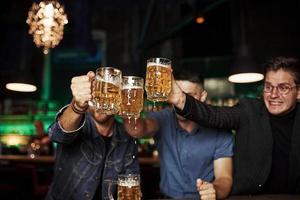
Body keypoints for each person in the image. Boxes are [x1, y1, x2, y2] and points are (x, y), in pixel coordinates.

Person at [169, 57, 300, 195]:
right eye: (268, 87)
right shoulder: (249, 110)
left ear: (298, 92)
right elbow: (214, 116)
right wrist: (180, 100)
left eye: (283, 88)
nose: (273, 94)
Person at [124, 69, 234, 199]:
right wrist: (128, 109)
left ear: (203, 96)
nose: (179, 102)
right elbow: (137, 130)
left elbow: (224, 178)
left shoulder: (219, 127)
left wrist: (214, 191)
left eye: (188, 96)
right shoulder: (162, 118)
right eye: (176, 95)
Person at [45, 71, 140, 200]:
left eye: (109, 93)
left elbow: (132, 176)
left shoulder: (126, 135)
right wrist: (77, 106)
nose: (102, 98)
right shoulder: (78, 122)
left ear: (118, 97)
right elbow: (57, 134)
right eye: (99, 93)